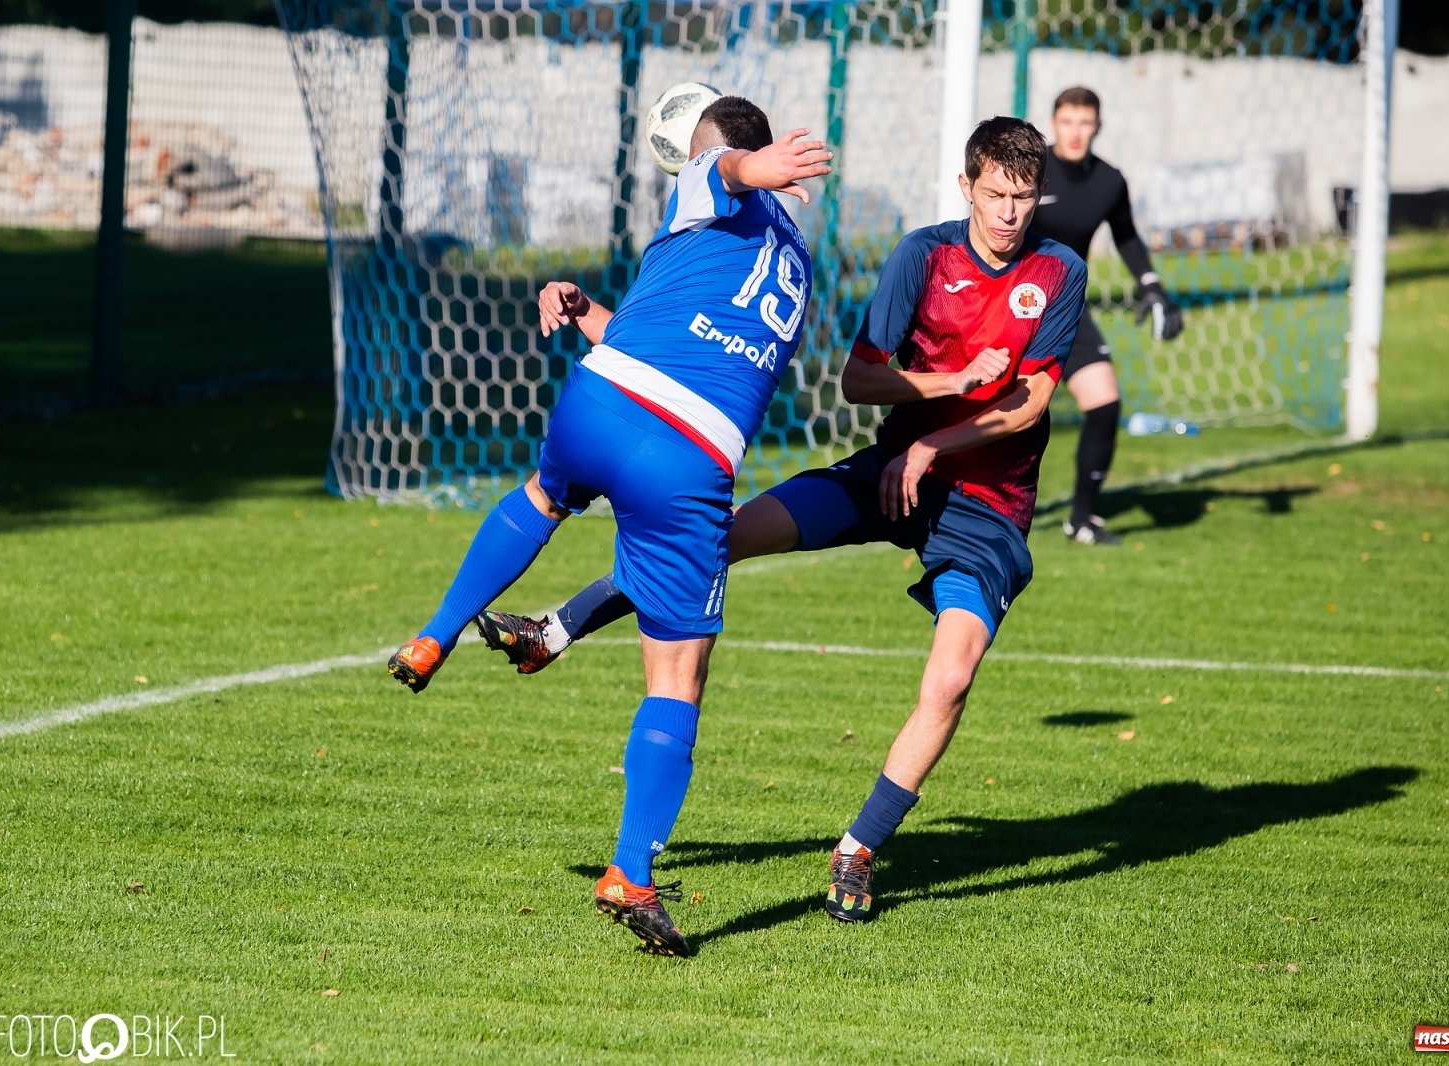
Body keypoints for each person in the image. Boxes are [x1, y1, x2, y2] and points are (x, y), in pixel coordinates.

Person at [474, 117, 1086, 923]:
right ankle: (555, 630)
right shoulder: (923, 256)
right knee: (713, 540)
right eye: (998, 194)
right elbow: (860, 383)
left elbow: (1032, 402)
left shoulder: (1060, 268)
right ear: (967, 185)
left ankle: (858, 849)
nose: (1012, 213)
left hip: (986, 507)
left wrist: (934, 446)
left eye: (1026, 197)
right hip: (888, 475)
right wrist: (936, 397)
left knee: (951, 678)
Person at [385, 96, 831, 957]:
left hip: (604, 397)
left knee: (545, 497)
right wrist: (751, 166)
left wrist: (737, 171)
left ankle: (435, 634)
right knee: (676, 680)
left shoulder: (707, 191)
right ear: (765, 153)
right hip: (688, 455)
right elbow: (723, 179)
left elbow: (714, 178)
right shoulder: (795, 255)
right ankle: (628, 871)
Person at [1034, 85, 1184, 546]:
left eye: (1085, 122)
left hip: (1065, 307)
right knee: (995, 409)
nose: (1075, 132)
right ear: (1053, 123)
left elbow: (1127, 236)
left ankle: (1081, 520)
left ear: (1097, 125)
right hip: (1009, 302)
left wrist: (1153, 287)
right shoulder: (1029, 168)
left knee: (1104, 402)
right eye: (1067, 121)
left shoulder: (1109, 182)